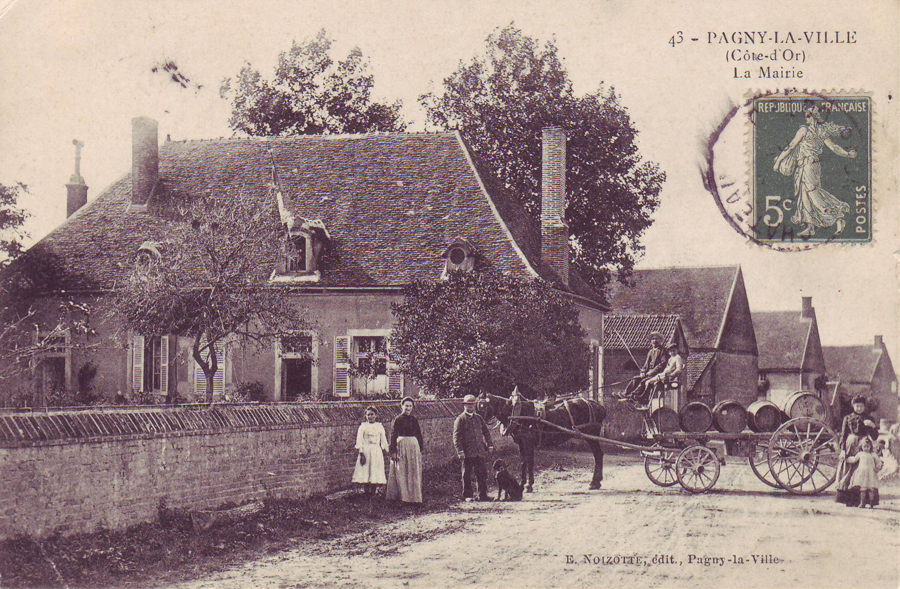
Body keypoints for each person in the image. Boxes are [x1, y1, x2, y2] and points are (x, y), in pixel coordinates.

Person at [772, 104, 856, 237]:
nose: (806, 118)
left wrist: (778, 162)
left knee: (813, 194)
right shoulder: (821, 131)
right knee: (805, 196)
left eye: (808, 115)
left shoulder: (803, 130)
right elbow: (834, 147)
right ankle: (810, 227)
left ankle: (838, 217)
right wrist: (847, 154)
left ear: (813, 117)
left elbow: (791, 146)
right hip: (810, 166)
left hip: (807, 167)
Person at [835, 395, 878, 506]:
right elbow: (843, 435)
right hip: (851, 444)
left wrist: (873, 426)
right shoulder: (848, 418)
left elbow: (875, 437)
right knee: (849, 469)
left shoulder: (869, 418)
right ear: (853, 406)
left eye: (861, 406)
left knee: (863, 470)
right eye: (857, 406)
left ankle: (864, 500)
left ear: (864, 407)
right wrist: (843, 450)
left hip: (864, 445)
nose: (859, 408)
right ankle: (848, 500)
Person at [453, 394, 494, 502]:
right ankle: (468, 495)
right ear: (464, 406)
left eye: (472, 405)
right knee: (466, 474)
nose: (470, 407)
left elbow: (486, 432)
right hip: (467, 452)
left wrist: (490, 445)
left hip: (479, 451)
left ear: (475, 405)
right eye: (468, 405)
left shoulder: (479, 418)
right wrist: (460, 451)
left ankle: (483, 495)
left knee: (482, 473)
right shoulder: (460, 419)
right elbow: (456, 437)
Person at [386, 397, 424, 504]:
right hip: (401, 446)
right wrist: (393, 451)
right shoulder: (397, 419)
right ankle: (403, 497)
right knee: (401, 470)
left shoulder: (414, 420)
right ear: (402, 406)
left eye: (410, 406)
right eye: (406, 406)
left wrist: (420, 448)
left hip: (413, 447)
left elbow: (418, 434)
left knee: (412, 470)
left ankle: (413, 497)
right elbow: (393, 435)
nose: (408, 408)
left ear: (412, 407)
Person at [352, 406, 389, 496]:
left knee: (374, 470)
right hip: (366, 450)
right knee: (366, 470)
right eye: (368, 415)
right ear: (366, 416)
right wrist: (361, 452)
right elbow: (359, 440)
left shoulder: (379, 426)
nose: (370, 416)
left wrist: (387, 450)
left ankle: (373, 492)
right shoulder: (363, 426)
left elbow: (383, 439)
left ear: (376, 415)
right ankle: (366, 492)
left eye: (372, 414)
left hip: (376, 451)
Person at [619, 332, 668, 401]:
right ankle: (625, 394)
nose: (654, 341)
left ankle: (633, 395)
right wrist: (643, 371)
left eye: (656, 339)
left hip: (657, 374)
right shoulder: (650, 351)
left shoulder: (663, 351)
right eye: (653, 339)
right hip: (648, 373)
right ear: (650, 341)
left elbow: (663, 364)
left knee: (644, 381)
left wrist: (651, 372)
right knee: (635, 379)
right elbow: (646, 365)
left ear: (660, 340)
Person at [636, 342, 683, 407]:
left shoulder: (677, 358)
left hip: (667, 376)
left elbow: (679, 369)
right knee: (647, 382)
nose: (672, 352)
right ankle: (644, 397)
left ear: (677, 350)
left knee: (649, 382)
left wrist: (672, 374)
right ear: (669, 353)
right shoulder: (670, 359)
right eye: (671, 351)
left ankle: (644, 398)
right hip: (663, 375)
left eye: (674, 350)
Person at [845, 437, 881, 508]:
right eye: (864, 446)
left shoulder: (873, 454)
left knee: (871, 488)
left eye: (868, 446)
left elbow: (878, 461)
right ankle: (863, 502)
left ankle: (871, 502)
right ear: (861, 446)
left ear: (870, 446)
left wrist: (878, 466)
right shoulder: (860, 454)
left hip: (871, 473)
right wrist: (847, 459)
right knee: (863, 489)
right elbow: (854, 459)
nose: (866, 448)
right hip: (862, 473)